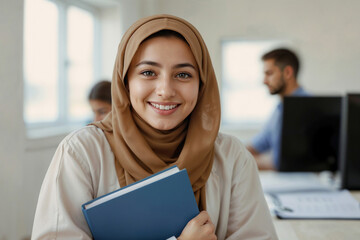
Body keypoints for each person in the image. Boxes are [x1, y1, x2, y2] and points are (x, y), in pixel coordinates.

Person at [32, 14, 277, 240]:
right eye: (148, 72)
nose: (165, 90)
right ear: (125, 80)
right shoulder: (82, 152)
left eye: (183, 75)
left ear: (202, 84)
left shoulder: (232, 158)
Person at [247, 48, 309, 171]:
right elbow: (259, 144)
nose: (264, 81)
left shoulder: (307, 109)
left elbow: (282, 163)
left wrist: (241, 161)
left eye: (269, 73)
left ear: (287, 72)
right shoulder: (279, 109)